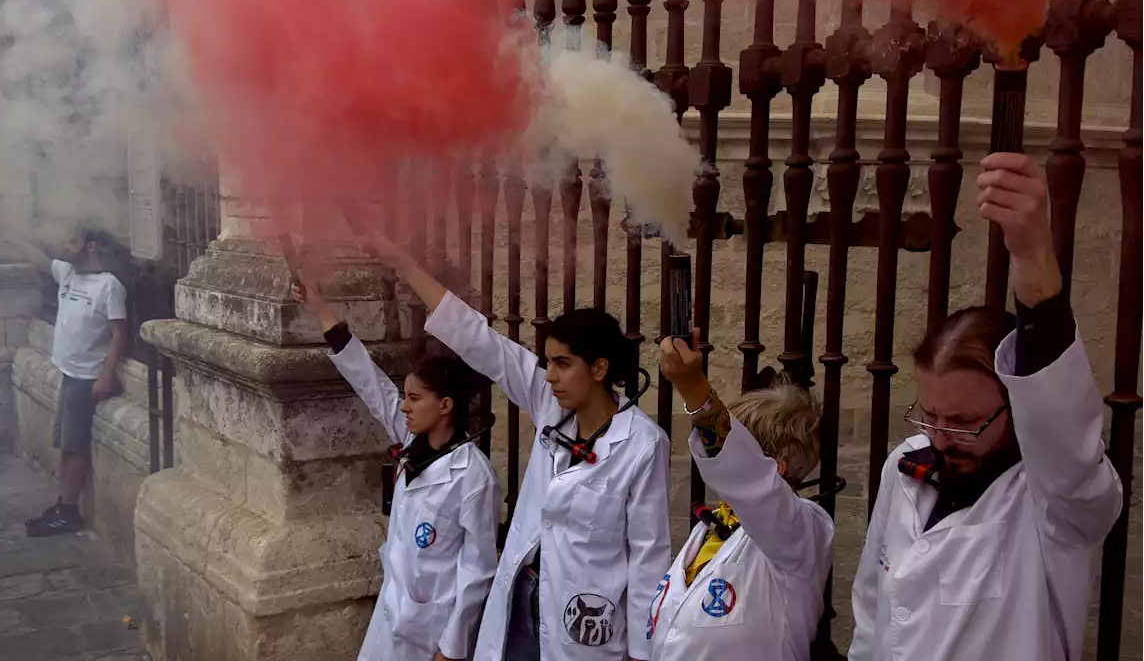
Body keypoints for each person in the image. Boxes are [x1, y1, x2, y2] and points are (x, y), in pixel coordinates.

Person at [848, 153, 1123, 661]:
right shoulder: (905, 466)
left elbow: (1064, 428)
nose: (940, 437)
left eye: (965, 422)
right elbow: (871, 607)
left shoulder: (1056, 502)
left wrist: (1034, 256)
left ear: (1017, 407)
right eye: (930, 414)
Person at [364, 229, 671, 661]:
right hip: (521, 600)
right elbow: (477, 338)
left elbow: (648, 555)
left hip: (582, 620)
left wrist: (643, 654)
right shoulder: (551, 408)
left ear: (599, 368)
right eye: (548, 364)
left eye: (563, 365)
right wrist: (403, 262)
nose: (550, 377)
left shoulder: (642, 445)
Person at [293, 279, 499, 661]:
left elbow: (478, 571)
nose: (404, 407)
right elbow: (371, 384)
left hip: (432, 637)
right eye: (405, 397)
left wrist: (451, 649)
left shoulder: (473, 477)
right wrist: (322, 311)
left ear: (445, 406)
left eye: (415, 399)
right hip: (390, 620)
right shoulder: (411, 441)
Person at [649, 331, 833, 660]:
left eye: (744, 447)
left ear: (773, 469)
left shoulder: (800, 531)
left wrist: (694, 388)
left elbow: (742, 470)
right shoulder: (718, 523)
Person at [0, 208, 128, 537]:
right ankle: (62, 502)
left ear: (90, 246)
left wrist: (105, 376)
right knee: (65, 445)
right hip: (67, 372)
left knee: (74, 447)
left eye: (73, 241)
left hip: (86, 377)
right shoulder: (68, 273)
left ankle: (68, 511)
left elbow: (120, 334)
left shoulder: (109, 286)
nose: (66, 246)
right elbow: (30, 253)